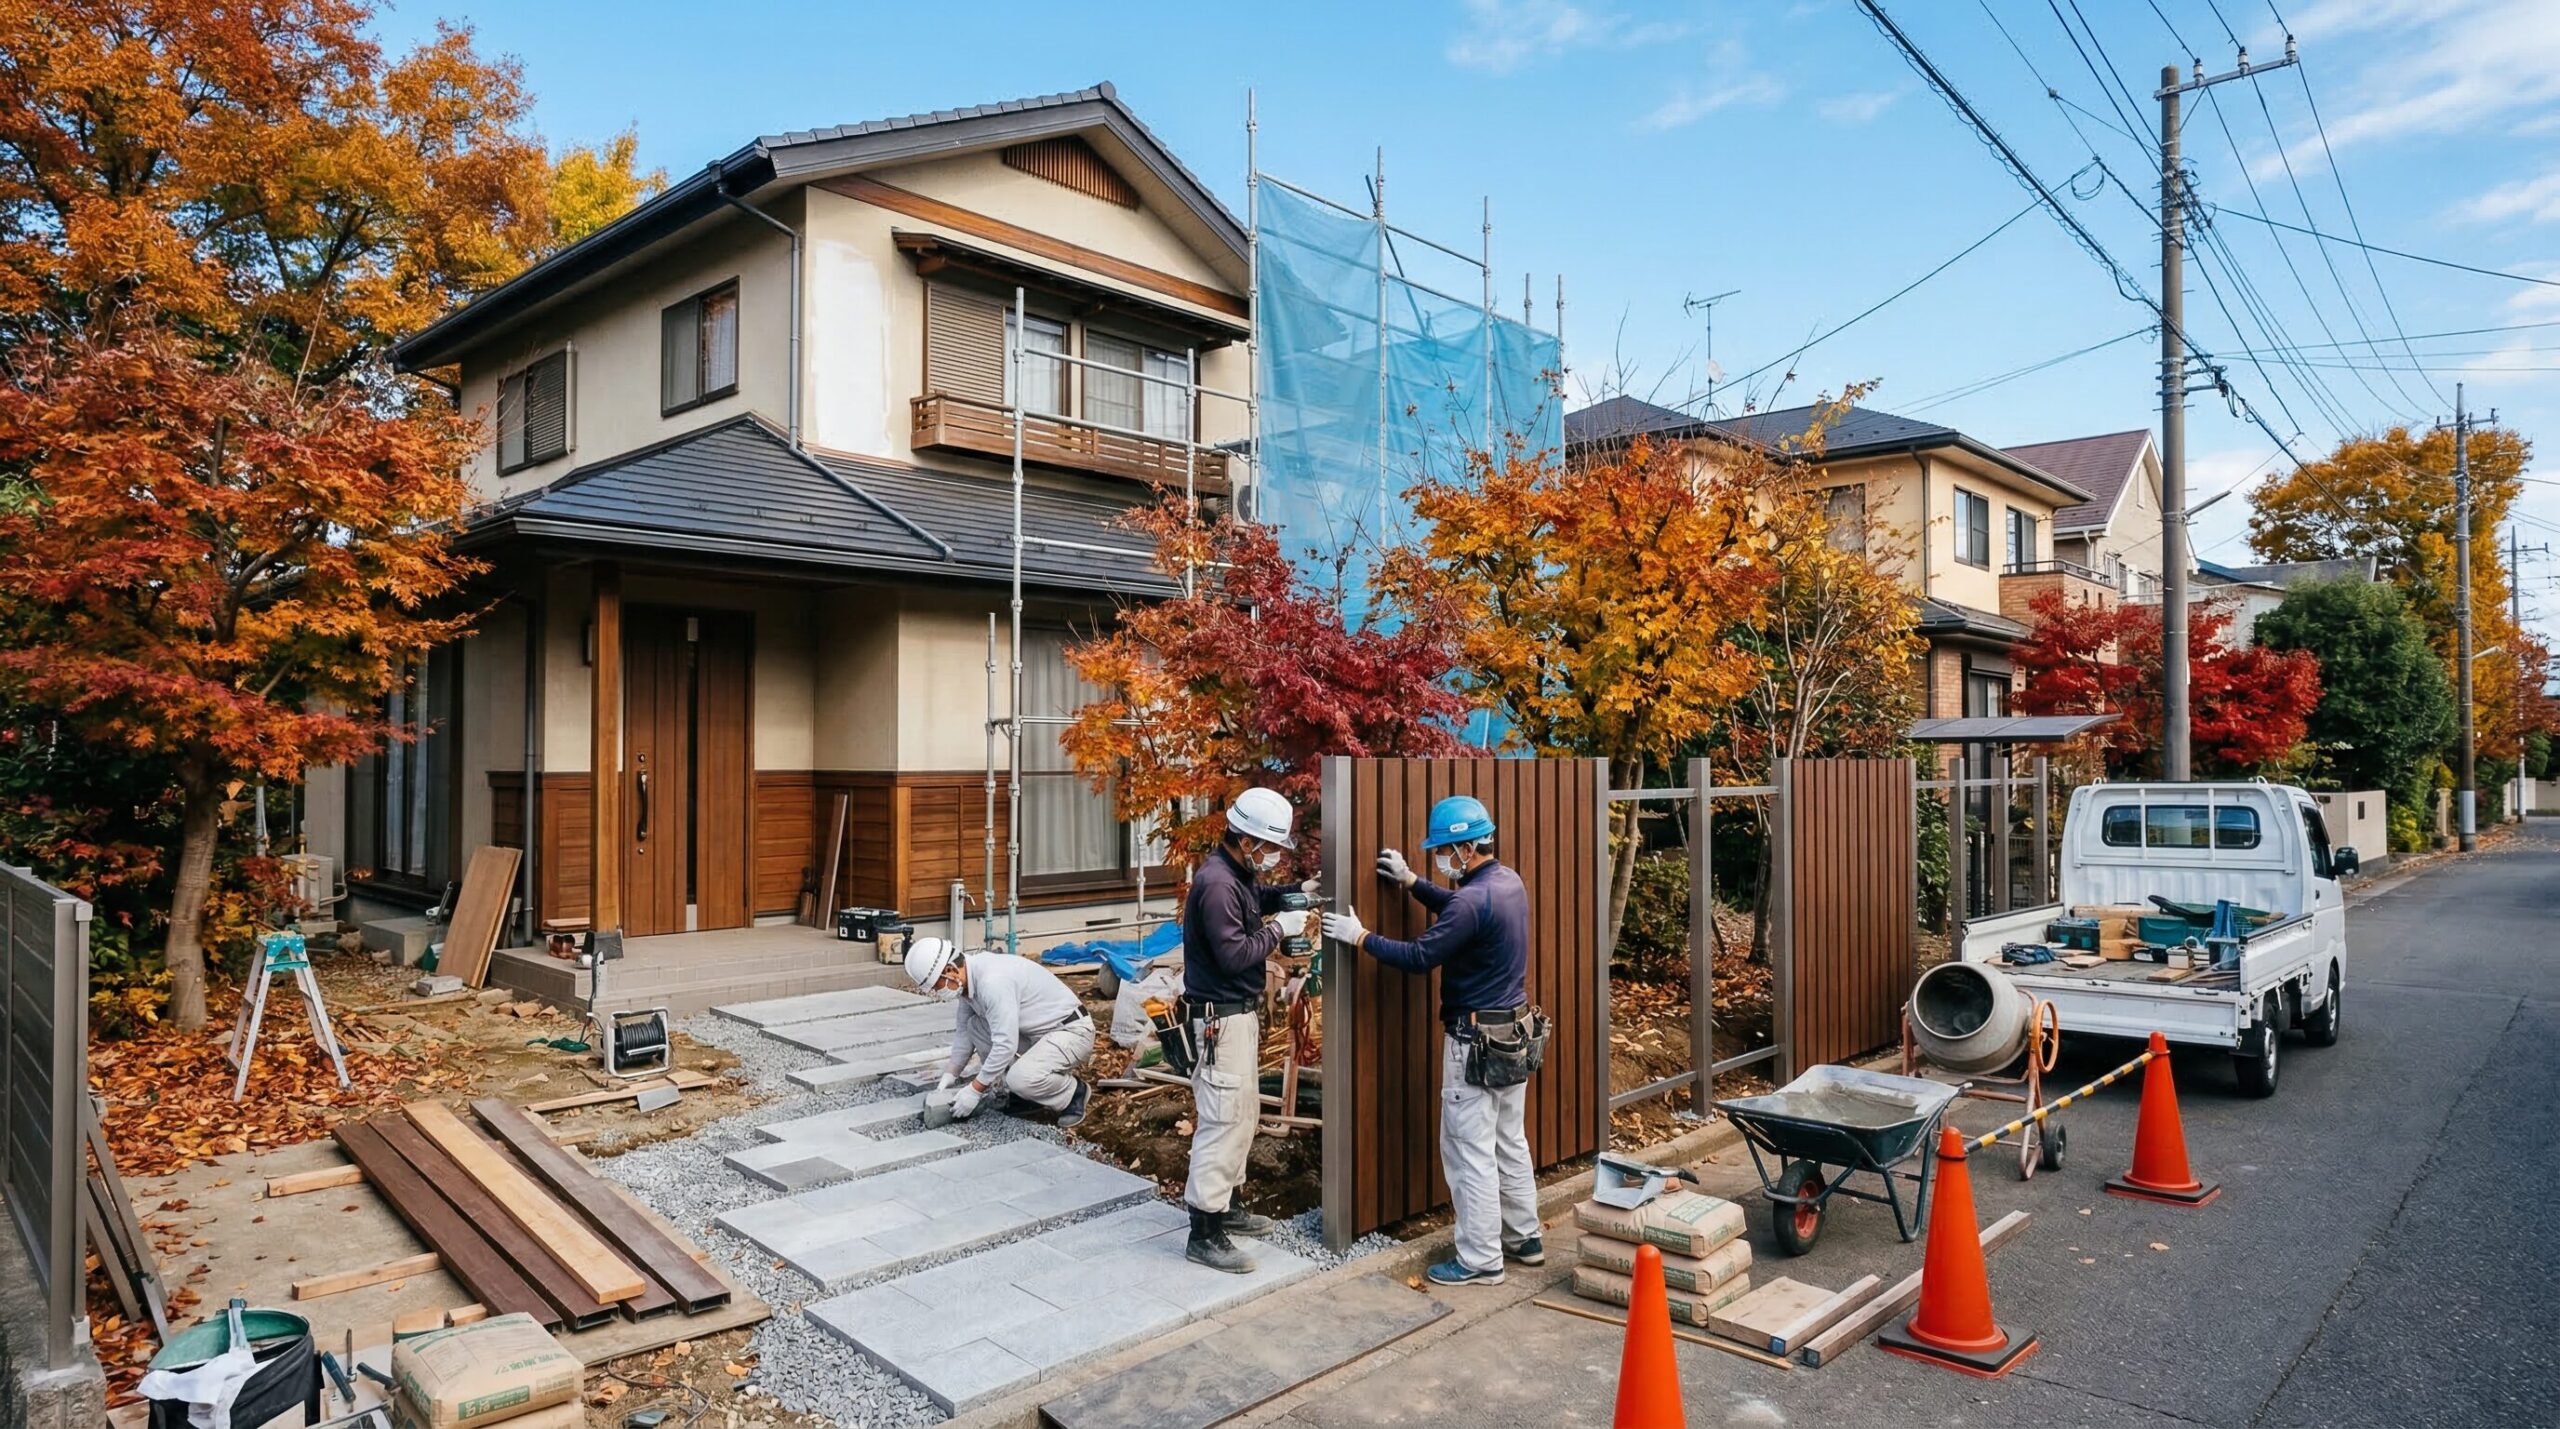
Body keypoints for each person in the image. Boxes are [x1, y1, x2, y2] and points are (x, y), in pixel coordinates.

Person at [1321, 794, 1540, 1286]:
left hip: (1475, 1041)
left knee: (1470, 1152)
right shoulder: (1508, 884)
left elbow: (1421, 957)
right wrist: (1412, 883)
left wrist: (1360, 937)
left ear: (1465, 848)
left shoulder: (1471, 899)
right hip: (1513, 1034)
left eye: (1444, 852)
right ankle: (1524, 1237)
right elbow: (1462, 909)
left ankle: (1481, 1260)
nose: (1441, 861)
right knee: (1509, 1139)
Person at [1177, 785, 1311, 1274]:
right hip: (1219, 1019)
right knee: (1223, 1117)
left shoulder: (1236, 875)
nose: (1273, 858)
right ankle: (1203, 1232)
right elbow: (1235, 954)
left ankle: (1226, 1204)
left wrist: (1296, 896)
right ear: (1247, 839)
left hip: (1236, 1016)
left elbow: (1258, 897)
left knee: (1243, 1112)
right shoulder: (1215, 884)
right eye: (1270, 848)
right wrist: (1281, 929)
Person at [903, 936, 1096, 1129]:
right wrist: (951, 1073)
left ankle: (1072, 1093)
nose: (938, 992)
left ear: (951, 971)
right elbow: (964, 1032)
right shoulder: (968, 983)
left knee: (1020, 1078)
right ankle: (1024, 1094)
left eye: (937, 986)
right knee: (975, 1027)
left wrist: (975, 1090)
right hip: (1038, 1034)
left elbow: (1005, 1045)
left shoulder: (992, 982)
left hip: (1071, 1031)